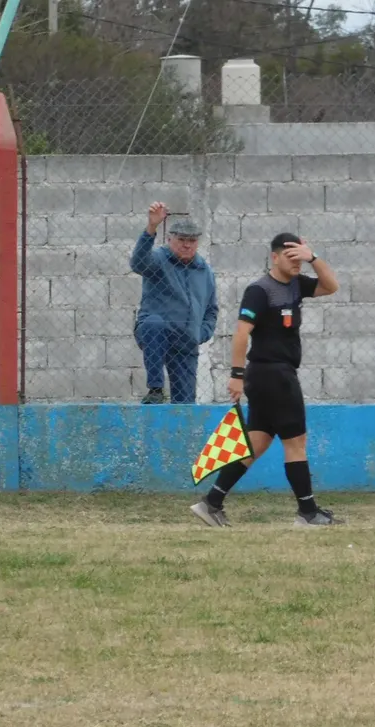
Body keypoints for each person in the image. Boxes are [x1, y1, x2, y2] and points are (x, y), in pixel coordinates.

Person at [189, 233, 342, 528]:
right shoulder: (260, 290)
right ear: (274, 257)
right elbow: (241, 333)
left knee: (257, 443)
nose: (296, 263)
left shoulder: (297, 284)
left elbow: (331, 286)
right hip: (273, 375)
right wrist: (236, 375)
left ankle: (211, 503)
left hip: (272, 376)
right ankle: (308, 513)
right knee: (296, 442)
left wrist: (313, 258)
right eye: (290, 257)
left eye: (299, 258)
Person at [130, 202, 218, 404]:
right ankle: (155, 389)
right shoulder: (158, 259)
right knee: (153, 323)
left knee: (185, 403)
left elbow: (211, 310)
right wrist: (151, 227)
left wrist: (200, 333)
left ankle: (182, 417)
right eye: (181, 240)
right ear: (169, 239)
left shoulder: (204, 271)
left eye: (192, 240)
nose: (187, 245)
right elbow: (138, 263)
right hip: (156, 334)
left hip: (186, 339)